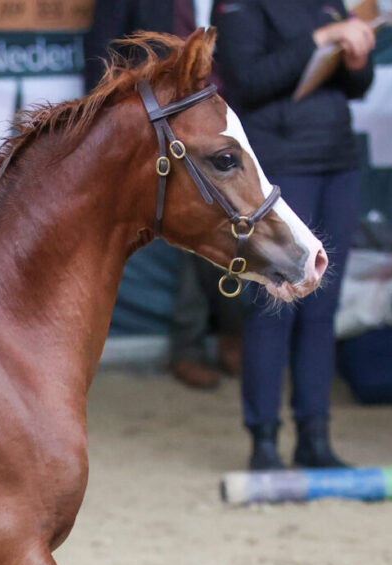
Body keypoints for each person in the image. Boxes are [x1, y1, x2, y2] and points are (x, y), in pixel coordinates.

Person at [214, 0, 376, 470]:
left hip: (337, 162)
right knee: (273, 305)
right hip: (280, 169)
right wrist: (322, 40)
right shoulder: (239, 7)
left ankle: (314, 435)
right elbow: (248, 81)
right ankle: (264, 439)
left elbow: (356, 88)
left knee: (322, 309)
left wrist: (356, 58)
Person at [85, 0, 247, 390]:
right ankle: (198, 344)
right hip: (163, 122)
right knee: (194, 221)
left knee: (243, 220)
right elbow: (103, 50)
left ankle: (230, 334)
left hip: (237, 116)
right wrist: (101, 119)